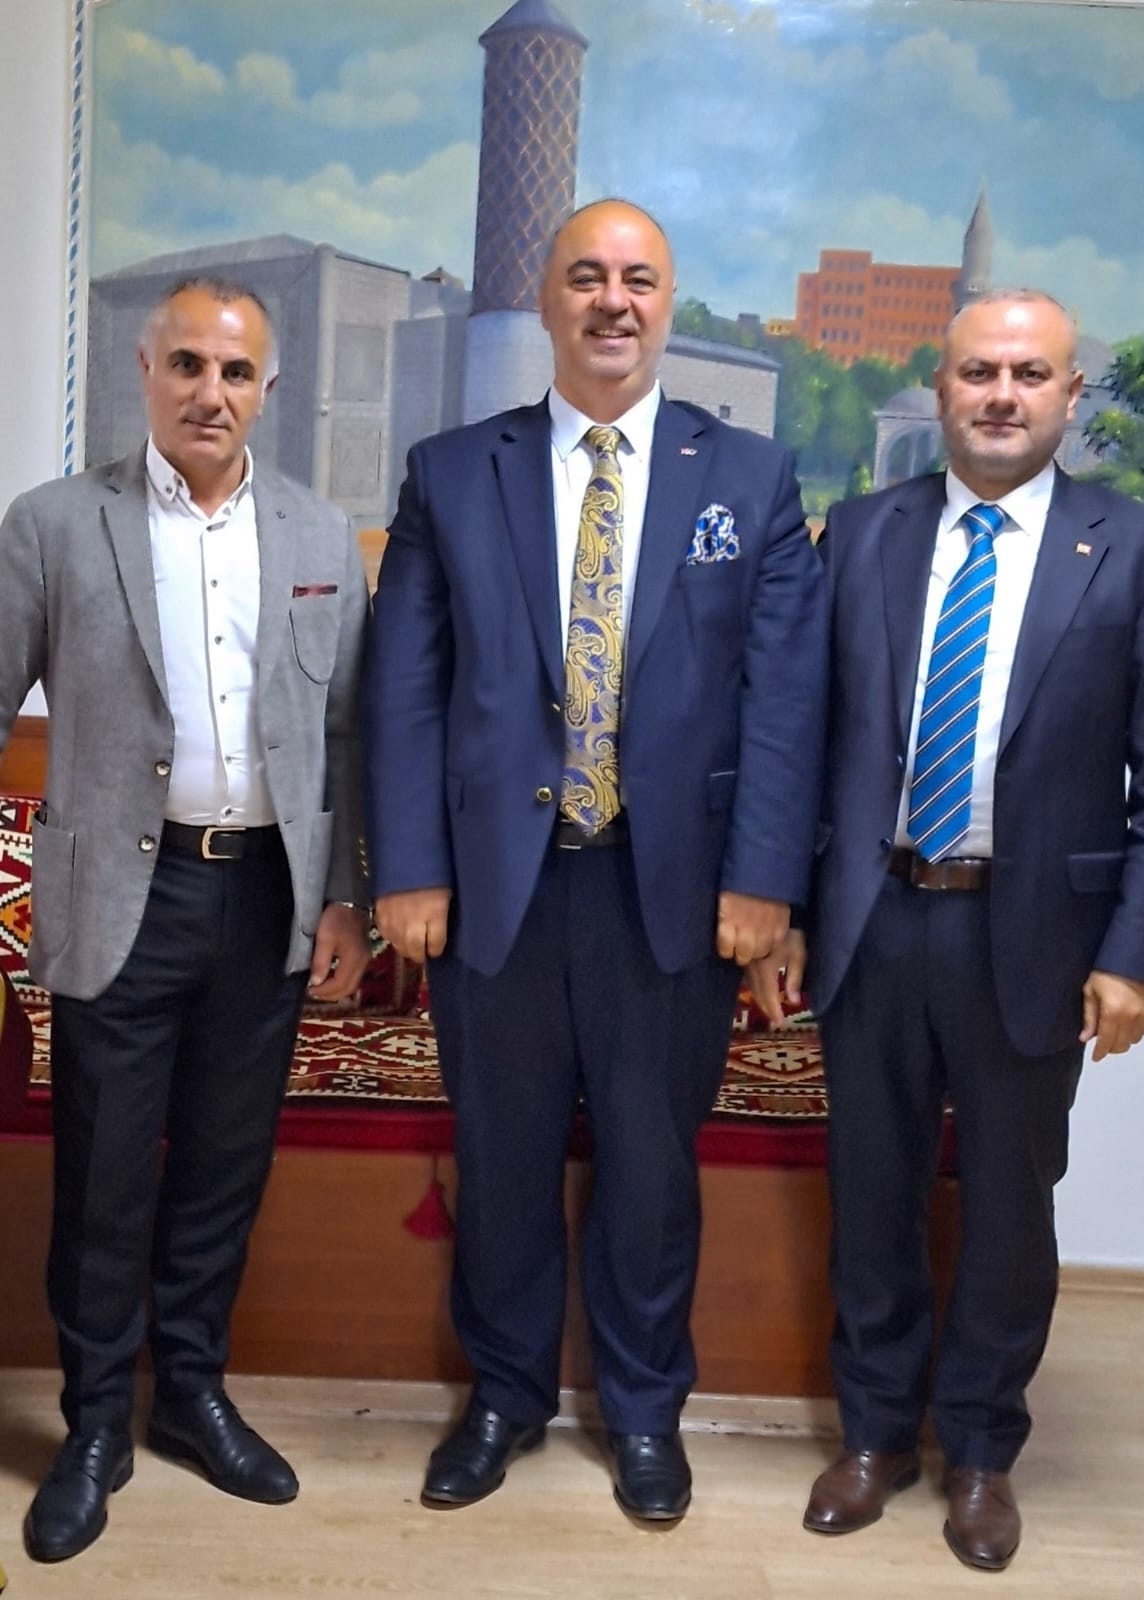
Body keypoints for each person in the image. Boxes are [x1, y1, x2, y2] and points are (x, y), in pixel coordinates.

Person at [363, 199, 826, 1522]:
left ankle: (642, 1410)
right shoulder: (455, 471)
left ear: (667, 302)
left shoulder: (751, 480)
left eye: (638, 279)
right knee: (501, 1158)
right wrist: (407, 866)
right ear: (549, 300)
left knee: (650, 1168)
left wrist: (764, 879)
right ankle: (503, 1396)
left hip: (669, 895)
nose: (612, 301)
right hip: (495, 891)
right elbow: (405, 686)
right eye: (586, 277)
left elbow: (785, 699)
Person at [790, 289, 1144, 1570]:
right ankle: (874, 1434)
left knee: (1011, 1206)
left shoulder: (1138, 548)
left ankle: (979, 1450)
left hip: (1035, 937)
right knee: (873, 1195)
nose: (1000, 394)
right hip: (871, 921)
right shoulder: (862, 532)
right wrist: (787, 909)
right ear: (941, 386)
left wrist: (1134, 955)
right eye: (977, 371)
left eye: (1028, 372)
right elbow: (806, 742)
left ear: (1069, 394)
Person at [0, 277, 370, 1563]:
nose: (212, 392)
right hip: (122, 897)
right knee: (103, 1173)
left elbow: (344, 736)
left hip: (266, 895)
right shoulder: (54, 523)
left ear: (268, 387)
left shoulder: (320, 534)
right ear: (146, 372)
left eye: (237, 371)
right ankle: (95, 1422)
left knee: (224, 1162)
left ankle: (192, 1393)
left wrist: (345, 896)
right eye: (188, 366)